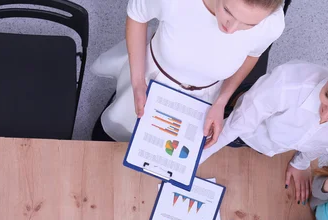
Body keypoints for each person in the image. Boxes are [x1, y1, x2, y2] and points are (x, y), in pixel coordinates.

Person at [199, 43, 328, 203]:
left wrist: (300, 163)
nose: (326, 114)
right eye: (327, 96)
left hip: (273, 147)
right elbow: (237, 124)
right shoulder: (287, 82)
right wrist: (191, 162)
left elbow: (324, 144)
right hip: (248, 130)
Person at [91, 0, 286, 144]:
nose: (231, 29)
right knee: (115, 130)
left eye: (248, 25)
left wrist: (221, 102)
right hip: (151, 75)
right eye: (228, 11)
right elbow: (137, 16)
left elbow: (253, 55)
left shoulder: (272, 24)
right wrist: (137, 82)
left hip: (204, 95)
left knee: (166, 148)